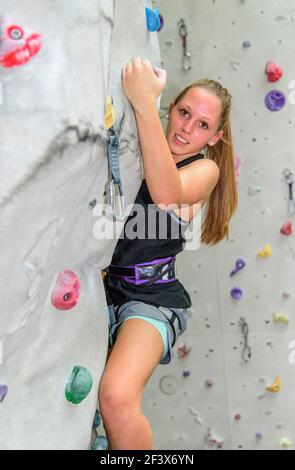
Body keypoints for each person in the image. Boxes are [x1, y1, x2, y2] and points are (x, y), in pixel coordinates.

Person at [98, 57, 238, 450]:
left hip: (153, 301)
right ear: (171, 108)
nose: (187, 128)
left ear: (215, 137)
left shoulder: (204, 170)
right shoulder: (138, 146)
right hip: (106, 293)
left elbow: (165, 192)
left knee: (117, 398)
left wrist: (144, 103)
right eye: (184, 113)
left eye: (203, 125)